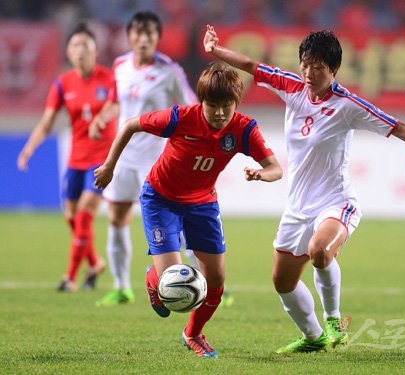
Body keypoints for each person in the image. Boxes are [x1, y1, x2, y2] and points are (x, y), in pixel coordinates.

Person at [203, 25, 405, 353]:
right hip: (298, 206)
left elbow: (399, 127)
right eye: (305, 64)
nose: (309, 73)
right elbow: (251, 65)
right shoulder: (290, 86)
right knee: (282, 282)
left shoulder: (348, 105)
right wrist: (215, 51)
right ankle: (313, 336)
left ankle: (335, 319)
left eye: (318, 67)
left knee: (319, 251)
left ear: (334, 70)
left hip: (336, 202)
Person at [94, 63, 283, 358]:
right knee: (172, 283)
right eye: (213, 105)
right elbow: (130, 124)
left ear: (236, 103)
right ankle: (153, 278)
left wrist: (261, 174)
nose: (220, 113)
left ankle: (193, 334)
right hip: (161, 199)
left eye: (227, 105)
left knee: (216, 282)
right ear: (201, 102)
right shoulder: (180, 117)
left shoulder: (244, 129)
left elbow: (276, 169)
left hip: (203, 204)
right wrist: (109, 166)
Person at [90, 11, 197, 307]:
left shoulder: (169, 71)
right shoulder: (120, 65)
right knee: (116, 218)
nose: (143, 39)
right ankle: (122, 287)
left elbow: (192, 107)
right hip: (123, 156)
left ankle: (205, 281)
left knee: (177, 223)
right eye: (138, 33)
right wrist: (102, 116)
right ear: (130, 36)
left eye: (149, 34)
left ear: (157, 38)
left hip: (156, 159)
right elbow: (116, 103)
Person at [17, 23, 116, 292]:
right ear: (69, 52)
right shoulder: (63, 83)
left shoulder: (109, 79)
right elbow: (48, 122)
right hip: (75, 159)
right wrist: (29, 148)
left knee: (84, 215)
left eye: (85, 45)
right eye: (75, 46)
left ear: (96, 51)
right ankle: (95, 263)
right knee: (71, 215)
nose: (80, 50)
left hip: (102, 160)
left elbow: (115, 105)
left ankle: (69, 277)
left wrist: (101, 119)